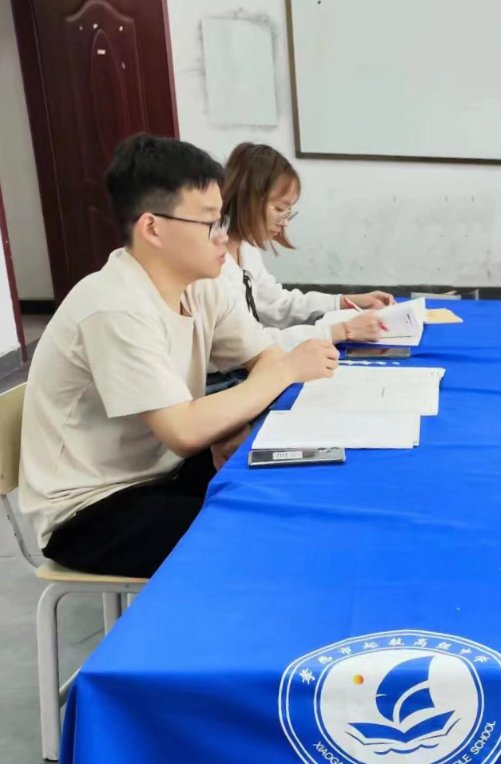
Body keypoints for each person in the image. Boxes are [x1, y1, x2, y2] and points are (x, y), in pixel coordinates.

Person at [19, 134, 339, 577]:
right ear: (153, 228)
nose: (223, 237)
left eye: (221, 218)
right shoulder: (113, 305)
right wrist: (284, 371)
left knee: (300, 487)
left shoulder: (202, 285)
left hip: (163, 473)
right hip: (91, 510)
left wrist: (233, 422)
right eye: (209, 223)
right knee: (268, 540)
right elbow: (185, 430)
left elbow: (262, 357)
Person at [221, 142, 395, 350]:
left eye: (288, 211)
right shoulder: (213, 262)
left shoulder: (246, 247)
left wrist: (344, 301)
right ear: (247, 199)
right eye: (279, 209)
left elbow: (276, 303)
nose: (285, 222)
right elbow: (244, 345)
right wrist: (340, 331)